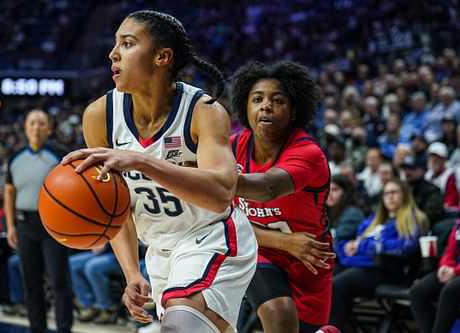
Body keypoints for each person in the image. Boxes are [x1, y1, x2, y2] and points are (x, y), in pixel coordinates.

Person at [61, 10, 257, 333]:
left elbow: (222, 193)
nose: (113, 53)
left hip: (212, 237)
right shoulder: (100, 116)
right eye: (115, 44)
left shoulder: (203, 112)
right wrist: (131, 273)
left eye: (127, 43)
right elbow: (115, 207)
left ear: (162, 57)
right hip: (159, 252)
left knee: (178, 328)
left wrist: (141, 161)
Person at [230, 61, 336, 333]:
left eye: (277, 100)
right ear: (246, 107)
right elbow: (225, 223)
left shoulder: (308, 154)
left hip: (310, 259)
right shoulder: (231, 147)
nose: (266, 106)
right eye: (257, 99)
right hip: (258, 249)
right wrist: (283, 241)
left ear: (292, 112)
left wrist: (212, 179)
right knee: (279, 314)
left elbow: (267, 189)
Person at [4, 109, 74, 333]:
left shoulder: (61, 155)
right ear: (25, 128)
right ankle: (37, 328)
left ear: (49, 129)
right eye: (32, 123)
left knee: (59, 282)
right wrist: (11, 226)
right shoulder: (15, 157)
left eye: (41, 123)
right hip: (25, 225)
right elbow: (9, 193)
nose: (36, 127)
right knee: (31, 283)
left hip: (53, 226)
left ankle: (64, 329)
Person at [329, 179, 429, 332]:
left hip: (383, 269)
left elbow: (403, 247)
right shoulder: (373, 220)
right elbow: (355, 242)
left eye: (394, 192)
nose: (390, 197)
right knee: (321, 282)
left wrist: (362, 246)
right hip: (356, 264)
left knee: (333, 286)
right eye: (386, 193)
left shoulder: (413, 218)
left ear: (405, 195)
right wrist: (347, 247)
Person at [409, 218, 460, 333]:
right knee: (417, 292)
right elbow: (450, 250)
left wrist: (455, 271)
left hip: (457, 271)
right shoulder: (458, 223)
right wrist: (445, 266)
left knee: (449, 291)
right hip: (453, 269)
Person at [69, 243, 122, 324]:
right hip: (102, 250)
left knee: (92, 267)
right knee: (71, 264)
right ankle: (89, 305)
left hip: (119, 253)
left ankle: (107, 307)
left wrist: (106, 245)